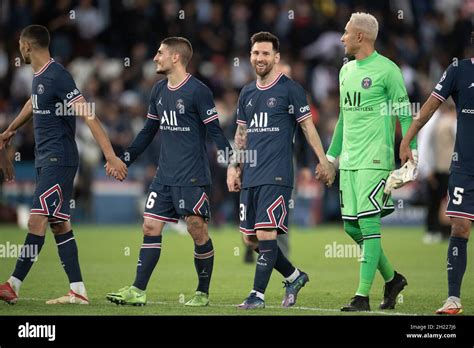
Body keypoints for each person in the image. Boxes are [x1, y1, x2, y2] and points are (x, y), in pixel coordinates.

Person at [0, 24, 127, 305]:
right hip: (47, 160)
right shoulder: (40, 77)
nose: (19, 47)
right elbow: (32, 105)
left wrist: (110, 155)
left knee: (36, 220)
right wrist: (10, 131)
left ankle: (12, 284)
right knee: (59, 224)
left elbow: (88, 115)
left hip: (60, 159)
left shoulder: (58, 75)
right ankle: (78, 290)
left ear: (26, 46)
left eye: (20, 43)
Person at [106, 37, 232, 307]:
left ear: (176, 57)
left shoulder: (199, 91)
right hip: (164, 176)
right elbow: (148, 131)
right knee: (150, 226)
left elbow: (214, 132)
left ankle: (202, 293)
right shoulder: (158, 90)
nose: (155, 57)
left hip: (193, 177)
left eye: (160, 52)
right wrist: (124, 158)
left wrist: (232, 161)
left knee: (197, 230)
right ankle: (138, 290)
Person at [227, 31, 335, 309]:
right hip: (250, 173)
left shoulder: (291, 89)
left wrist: (323, 160)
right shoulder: (247, 93)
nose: (259, 58)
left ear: (276, 57)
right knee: (250, 239)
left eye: (265, 53)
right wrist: (233, 166)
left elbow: (308, 127)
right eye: (255, 53)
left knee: (266, 235)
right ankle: (294, 275)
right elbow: (242, 133)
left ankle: (257, 296)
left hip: (277, 174)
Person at [326, 13, 416, 311]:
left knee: (368, 223)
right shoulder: (346, 71)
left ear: (360, 37)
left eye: (346, 32)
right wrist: (330, 157)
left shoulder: (388, 70)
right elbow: (343, 118)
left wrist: (410, 150)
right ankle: (392, 279)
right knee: (352, 229)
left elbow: (405, 113)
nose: (342, 38)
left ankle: (361, 296)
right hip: (349, 162)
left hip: (375, 160)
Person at [399, 55, 474, 315]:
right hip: (465, 167)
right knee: (460, 226)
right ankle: (453, 298)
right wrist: (406, 139)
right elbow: (429, 107)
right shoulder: (459, 70)